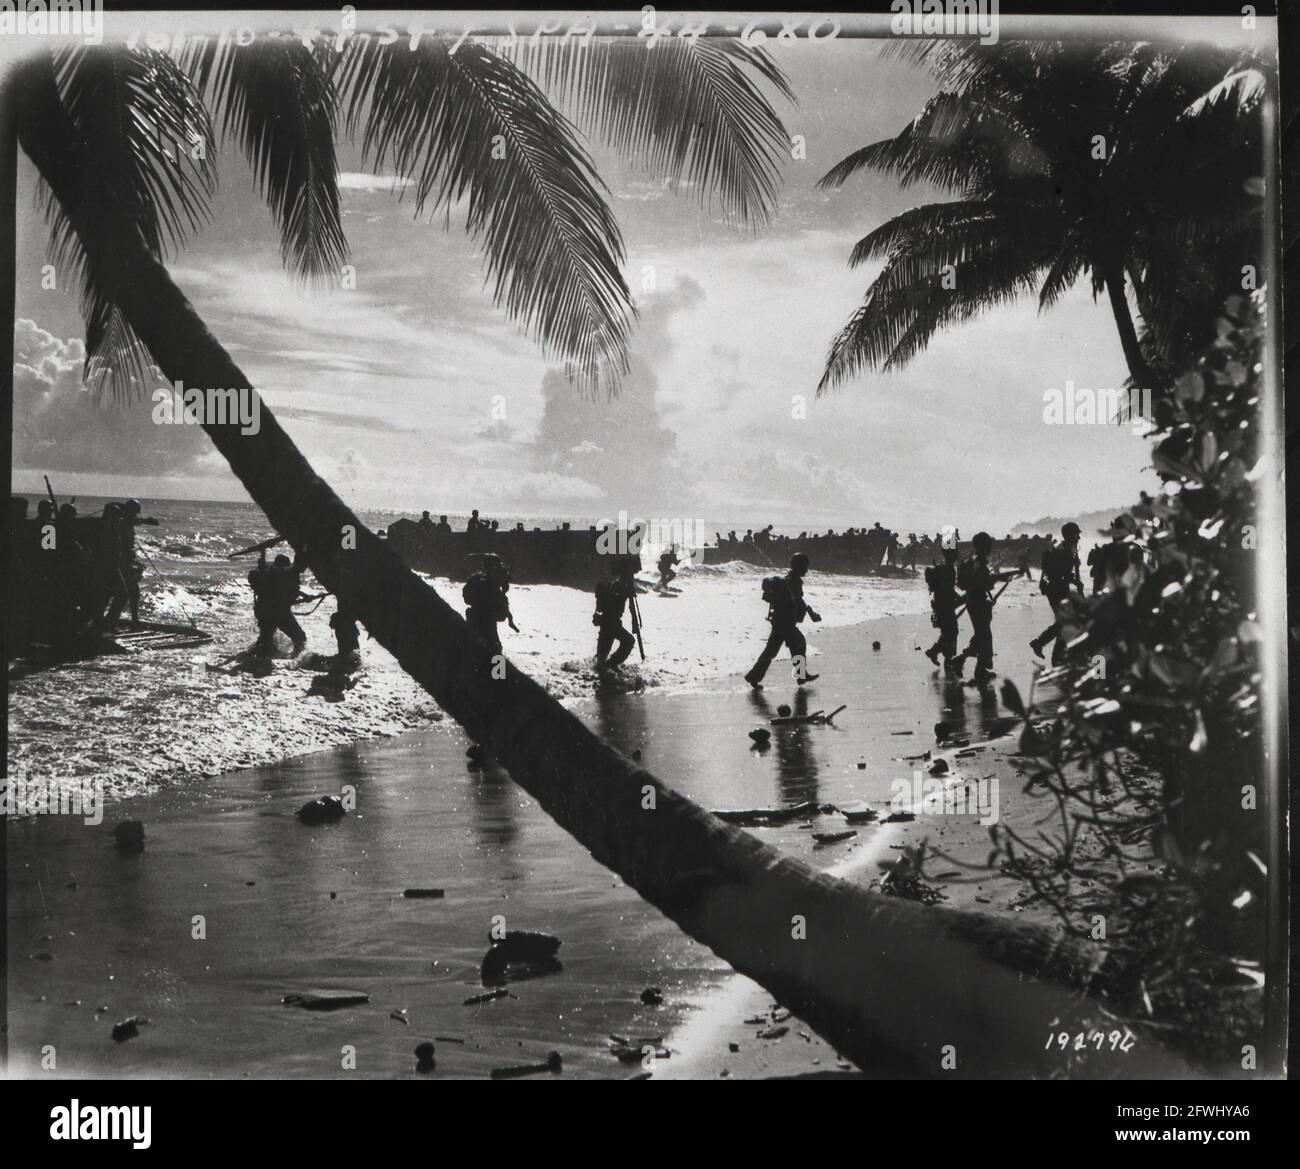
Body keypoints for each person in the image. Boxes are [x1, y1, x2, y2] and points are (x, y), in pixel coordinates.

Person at [744, 552, 821, 690]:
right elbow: (795, 600)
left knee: (772, 650)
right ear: (799, 566)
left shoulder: (792, 580)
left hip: (781, 623)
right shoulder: (791, 581)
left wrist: (810, 612)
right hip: (785, 624)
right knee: (798, 643)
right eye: (805, 566)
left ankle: (754, 677)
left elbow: (798, 601)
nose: (807, 569)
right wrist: (810, 613)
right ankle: (800, 676)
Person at [951, 532, 1019, 681]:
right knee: (985, 636)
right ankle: (978, 669)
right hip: (979, 601)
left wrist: (996, 579)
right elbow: (985, 582)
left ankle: (961, 661)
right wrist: (998, 578)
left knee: (981, 635)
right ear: (982, 545)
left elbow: (971, 582)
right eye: (988, 544)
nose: (990, 547)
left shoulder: (969, 561)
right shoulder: (980, 562)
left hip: (974, 600)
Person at [1030, 522, 1083, 663]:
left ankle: (1057, 656)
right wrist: (1075, 581)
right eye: (1077, 534)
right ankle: (1041, 643)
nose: (1079, 537)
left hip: (1056, 588)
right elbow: (1059, 572)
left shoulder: (1065, 549)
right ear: (1071, 535)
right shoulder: (1064, 551)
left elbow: (1050, 569)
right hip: (1058, 589)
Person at [249, 546, 308, 655]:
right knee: (299, 637)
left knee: (266, 640)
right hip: (275, 612)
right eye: (305, 564)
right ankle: (296, 662)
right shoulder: (283, 572)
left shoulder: (288, 573)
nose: (306, 567)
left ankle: (256, 657)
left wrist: (304, 595)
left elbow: (286, 590)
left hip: (270, 611)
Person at [462, 553, 516, 655]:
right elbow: (500, 610)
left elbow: (467, 599)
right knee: (494, 651)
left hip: (477, 621)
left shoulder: (478, 579)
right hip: (485, 622)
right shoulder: (485, 582)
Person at [593, 555, 639, 673]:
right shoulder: (617, 585)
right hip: (610, 622)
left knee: (602, 656)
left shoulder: (616, 584)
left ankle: (608, 665)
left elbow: (630, 605)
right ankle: (610, 665)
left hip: (609, 623)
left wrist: (635, 621)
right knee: (628, 642)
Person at [923, 547, 963, 671]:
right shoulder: (950, 570)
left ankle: (945, 658)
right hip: (945, 604)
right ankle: (935, 652)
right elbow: (948, 589)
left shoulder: (942, 568)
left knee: (948, 632)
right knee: (952, 632)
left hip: (939, 603)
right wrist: (961, 599)